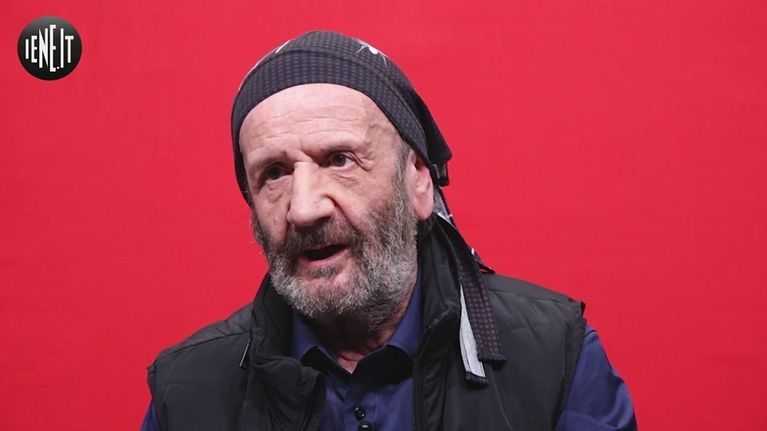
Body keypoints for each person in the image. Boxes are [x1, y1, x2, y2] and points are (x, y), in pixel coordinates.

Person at [143, 30, 637, 431]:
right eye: (274, 173)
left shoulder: (554, 357)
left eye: (339, 160)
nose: (304, 209)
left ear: (418, 179)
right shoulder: (187, 393)